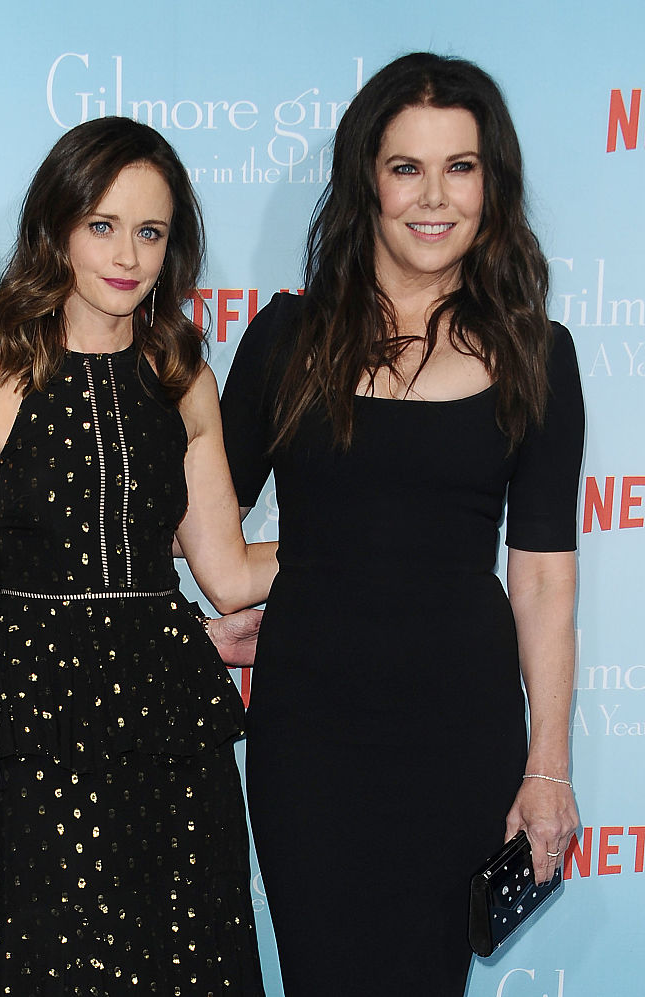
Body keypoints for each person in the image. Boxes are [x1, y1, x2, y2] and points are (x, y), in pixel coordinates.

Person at [221, 52, 585, 995]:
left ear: (491, 186)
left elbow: (543, 573)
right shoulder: (286, 340)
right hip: (310, 735)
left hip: (460, 736)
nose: (435, 197)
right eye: (406, 167)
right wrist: (240, 597)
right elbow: (206, 524)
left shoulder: (538, 353)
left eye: (460, 167)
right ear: (367, 183)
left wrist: (549, 766)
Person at [0, 116, 275, 995]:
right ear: (56, 228)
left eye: (151, 231)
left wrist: (369, 530)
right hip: (37, 731)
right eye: (102, 224)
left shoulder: (184, 379)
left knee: (188, 963)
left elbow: (230, 572)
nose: (128, 253)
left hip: (169, 730)